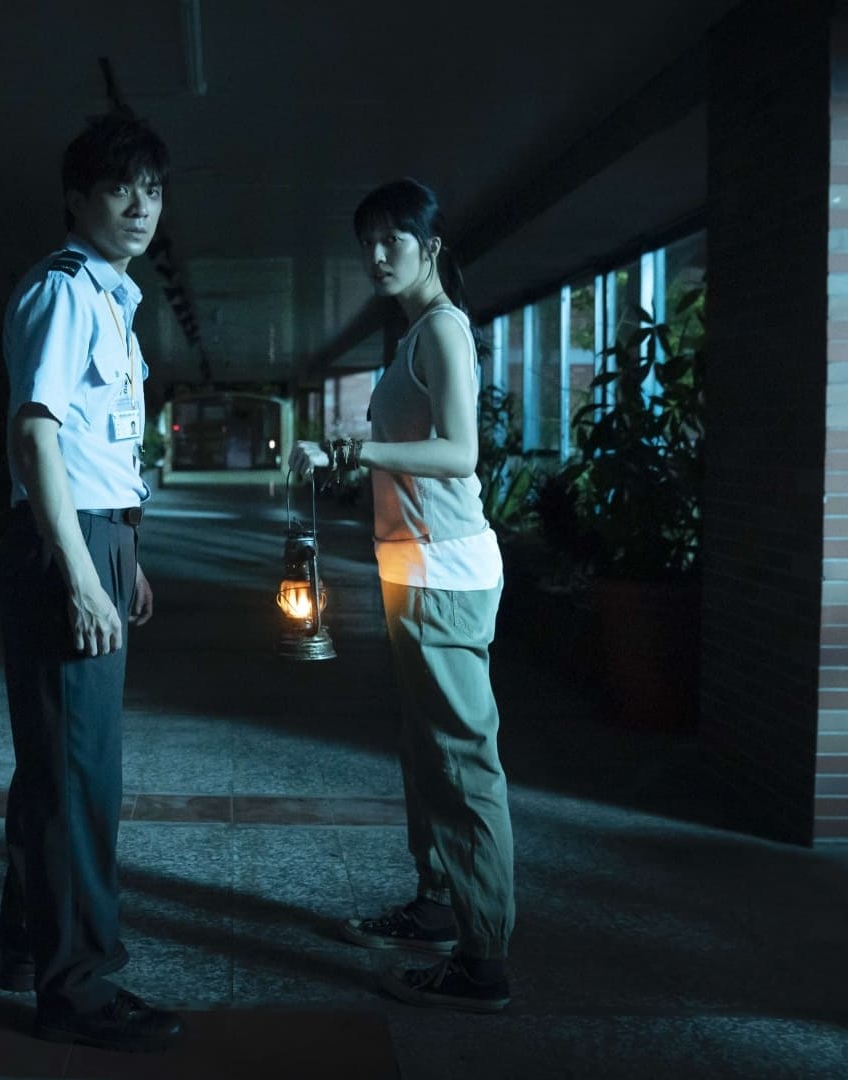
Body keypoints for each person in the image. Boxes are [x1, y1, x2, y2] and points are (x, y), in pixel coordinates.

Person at [291, 177, 514, 1012]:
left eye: (394, 239)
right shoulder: (416, 332)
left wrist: (357, 452)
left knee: (461, 764)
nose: (377, 255)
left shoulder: (444, 329)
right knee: (428, 755)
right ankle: (435, 907)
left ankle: (484, 961)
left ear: (432, 246)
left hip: (444, 574)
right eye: (368, 242)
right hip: (417, 571)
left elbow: (460, 453)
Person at [0, 111, 183, 1053]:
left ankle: (28, 946)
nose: (141, 206)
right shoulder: (65, 292)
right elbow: (36, 436)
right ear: (77, 199)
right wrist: (80, 573)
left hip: (98, 534)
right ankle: (78, 991)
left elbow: (99, 448)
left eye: (153, 189)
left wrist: (124, 557)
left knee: (58, 765)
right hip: (63, 544)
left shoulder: (111, 299)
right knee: (79, 778)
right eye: (120, 189)